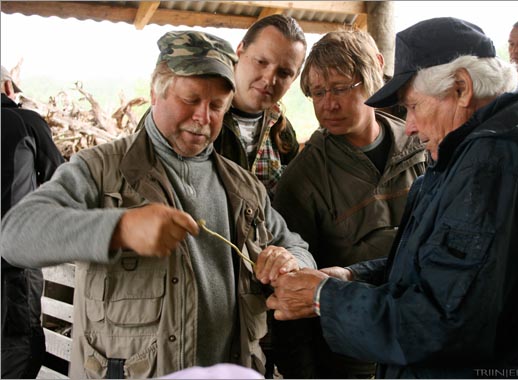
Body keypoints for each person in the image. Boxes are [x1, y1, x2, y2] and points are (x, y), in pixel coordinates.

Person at [0, 31, 316, 379]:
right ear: (155, 93)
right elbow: (14, 236)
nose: (203, 117)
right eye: (190, 99)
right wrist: (119, 229)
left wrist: (290, 260)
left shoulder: (242, 186)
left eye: (216, 107)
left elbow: (296, 245)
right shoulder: (101, 169)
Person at [267, 17, 518, 378]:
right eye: (318, 92)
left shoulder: (493, 170)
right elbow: (439, 267)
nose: (408, 125)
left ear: (462, 89)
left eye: (413, 106)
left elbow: (439, 323)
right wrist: (351, 276)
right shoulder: (483, 151)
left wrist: (324, 297)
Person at [270, 30, 427, 379]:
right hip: (350, 360)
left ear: (374, 74)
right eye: (318, 92)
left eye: (341, 88)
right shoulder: (303, 178)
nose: (329, 104)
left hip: (422, 344)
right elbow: (289, 296)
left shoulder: (420, 145)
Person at [1, 65, 65, 379]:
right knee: (21, 346)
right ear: (8, 87)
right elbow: (62, 182)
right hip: (13, 268)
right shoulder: (25, 121)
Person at [213, 14, 307, 199]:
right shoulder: (199, 114)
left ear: (294, 78)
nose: (269, 79)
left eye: (284, 72)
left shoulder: (282, 130)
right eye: (261, 62)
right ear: (239, 51)